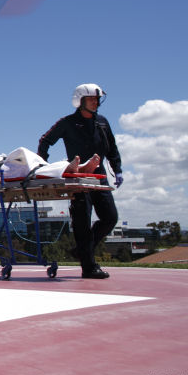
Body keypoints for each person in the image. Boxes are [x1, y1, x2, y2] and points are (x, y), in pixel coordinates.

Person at [38, 83, 123, 279]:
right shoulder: (67, 122)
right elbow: (45, 141)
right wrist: (44, 166)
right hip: (77, 178)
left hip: (99, 177)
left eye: (97, 99)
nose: (96, 102)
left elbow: (112, 148)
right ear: (80, 100)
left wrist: (117, 169)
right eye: (91, 99)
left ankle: (82, 250)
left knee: (110, 218)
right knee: (82, 222)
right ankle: (89, 267)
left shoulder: (102, 122)